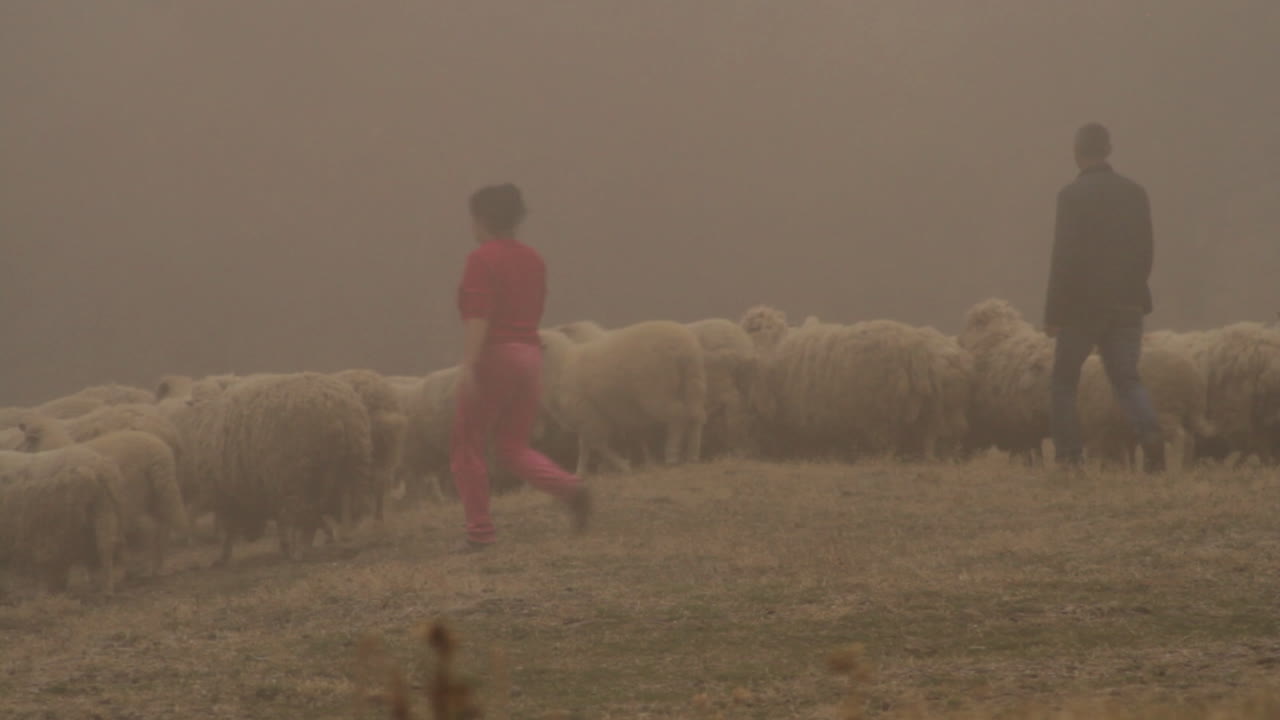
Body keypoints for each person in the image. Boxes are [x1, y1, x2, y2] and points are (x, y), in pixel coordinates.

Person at [449, 183, 591, 552]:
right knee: (512, 445)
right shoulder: (534, 259)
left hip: (496, 355)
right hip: (530, 355)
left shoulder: (481, 260)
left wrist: (469, 364)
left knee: (467, 445)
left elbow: (479, 314)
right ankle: (571, 489)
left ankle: (480, 532)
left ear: (481, 219)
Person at [1043, 122, 1165, 473]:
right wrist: (1133, 288)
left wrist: (1053, 311)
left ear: (1076, 151)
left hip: (1082, 305)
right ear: (1108, 150)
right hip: (1128, 301)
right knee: (1126, 378)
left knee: (1064, 380)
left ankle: (1068, 456)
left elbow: (1063, 256)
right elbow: (1147, 250)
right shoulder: (1135, 193)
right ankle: (1151, 436)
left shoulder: (1071, 196)